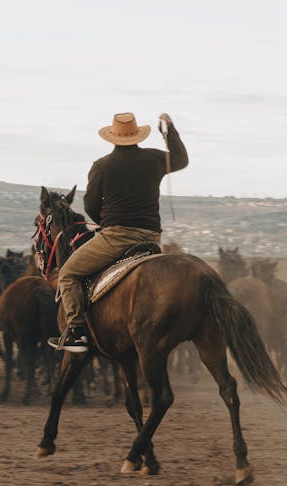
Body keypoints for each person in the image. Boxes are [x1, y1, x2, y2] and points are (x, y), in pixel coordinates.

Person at [50, 111, 188, 352]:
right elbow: (181, 160)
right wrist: (170, 131)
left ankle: (77, 332)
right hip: (152, 238)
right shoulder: (154, 159)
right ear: (137, 135)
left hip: (115, 238)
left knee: (68, 274)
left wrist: (108, 224)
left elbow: (90, 205)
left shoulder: (102, 166)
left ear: (112, 137)